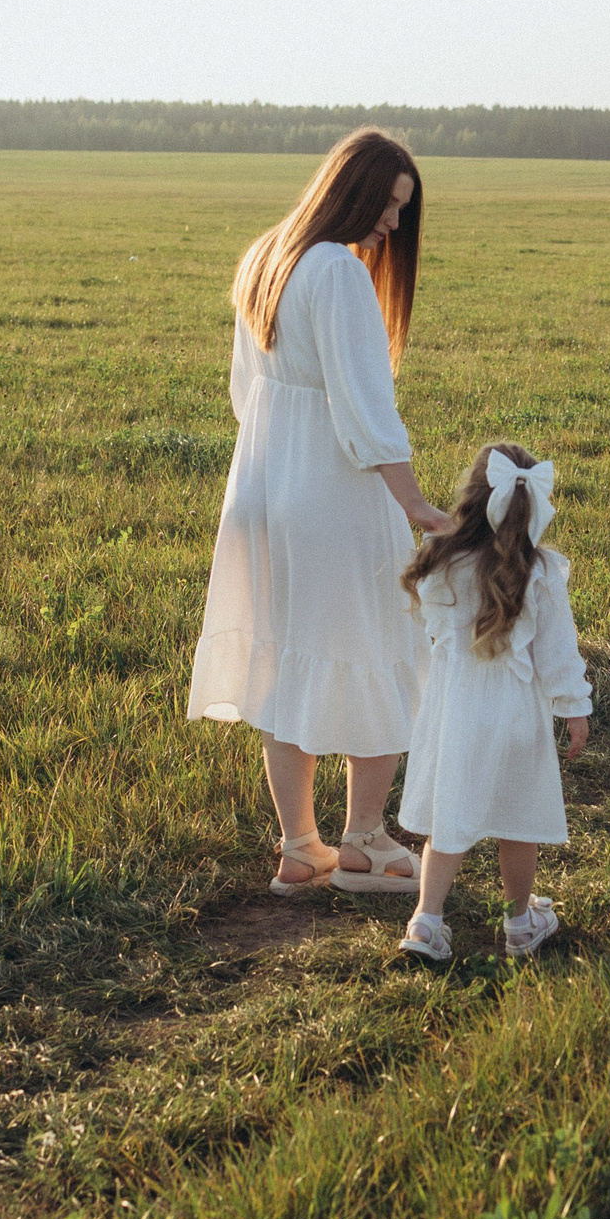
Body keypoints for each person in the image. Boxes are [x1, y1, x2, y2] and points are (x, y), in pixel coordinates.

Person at [188, 128, 454, 896]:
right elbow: (366, 408)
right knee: (384, 649)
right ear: (355, 190)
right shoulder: (337, 270)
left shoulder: (265, 254)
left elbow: (246, 393)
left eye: (404, 211)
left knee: (291, 659)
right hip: (332, 494)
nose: (393, 226)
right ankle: (365, 841)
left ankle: (300, 847)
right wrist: (413, 502)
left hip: (264, 487)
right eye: (389, 205)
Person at [393, 442, 590, 962]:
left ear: (472, 495)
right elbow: (557, 649)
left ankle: (426, 921)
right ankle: (520, 922)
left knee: (449, 816)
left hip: (455, 708)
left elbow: (435, 629)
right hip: (514, 711)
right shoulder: (540, 569)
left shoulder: (443, 557)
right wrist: (575, 707)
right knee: (517, 820)